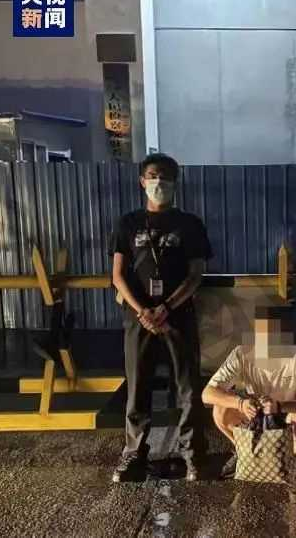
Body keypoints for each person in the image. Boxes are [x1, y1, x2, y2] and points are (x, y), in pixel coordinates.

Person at [110, 153, 213, 483]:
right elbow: (117, 275)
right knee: (137, 387)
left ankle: (193, 455)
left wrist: (166, 308)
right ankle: (134, 454)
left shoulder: (190, 224)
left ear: (175, 183)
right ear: (142, 181)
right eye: (153, 175)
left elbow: (196, 274)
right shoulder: (128, 223)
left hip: (177, 317)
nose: (159, 182)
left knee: (188, 388)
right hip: (138, 319)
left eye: (166, 176)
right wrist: (142, 311)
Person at [202, 305, 296, 483]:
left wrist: (280, 406)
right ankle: (245, 453)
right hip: (255, 413)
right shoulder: (242, 353)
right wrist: (241, 403)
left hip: (285, 413)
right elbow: (207, 394)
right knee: (220, 409)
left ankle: (288, 456)